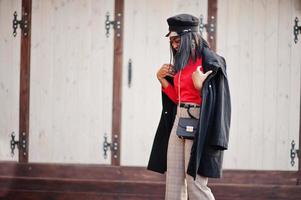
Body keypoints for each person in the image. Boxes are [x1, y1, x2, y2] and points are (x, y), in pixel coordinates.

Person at [147, 14, 231, 200]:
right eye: (172, 41)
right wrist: (162, 80)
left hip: (200, 122)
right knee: (174, 184)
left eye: (177, 40)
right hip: (179, 120)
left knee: (195, 184)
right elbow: (179, 99)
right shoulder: (181, 62)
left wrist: (202, 87)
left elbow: (219, 102)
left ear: (189, 37)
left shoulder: (211, 61)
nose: (174, 45)